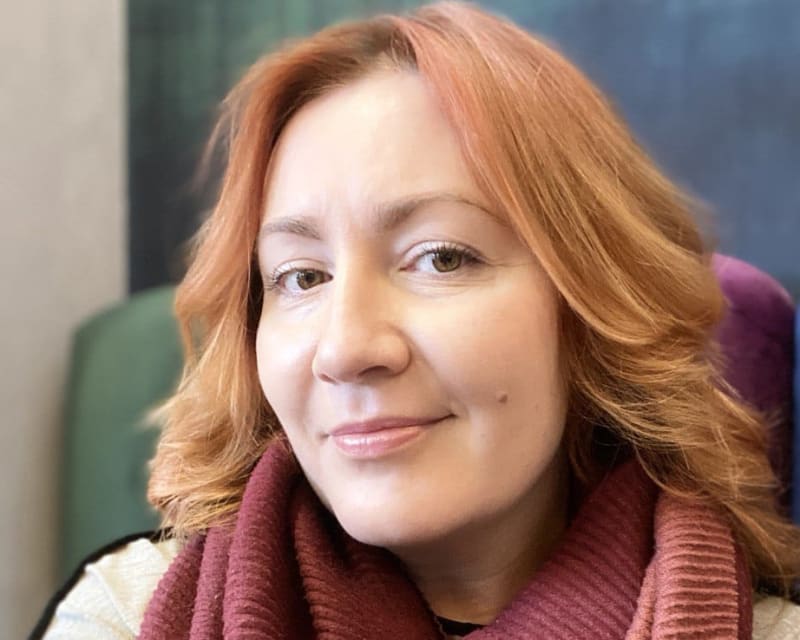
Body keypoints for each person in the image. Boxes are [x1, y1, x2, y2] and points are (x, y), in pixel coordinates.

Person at [38, 2, 800, 638]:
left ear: (591, 303)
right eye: (302, 276)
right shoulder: (128, 616)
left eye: (440, 258)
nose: (345, 348)